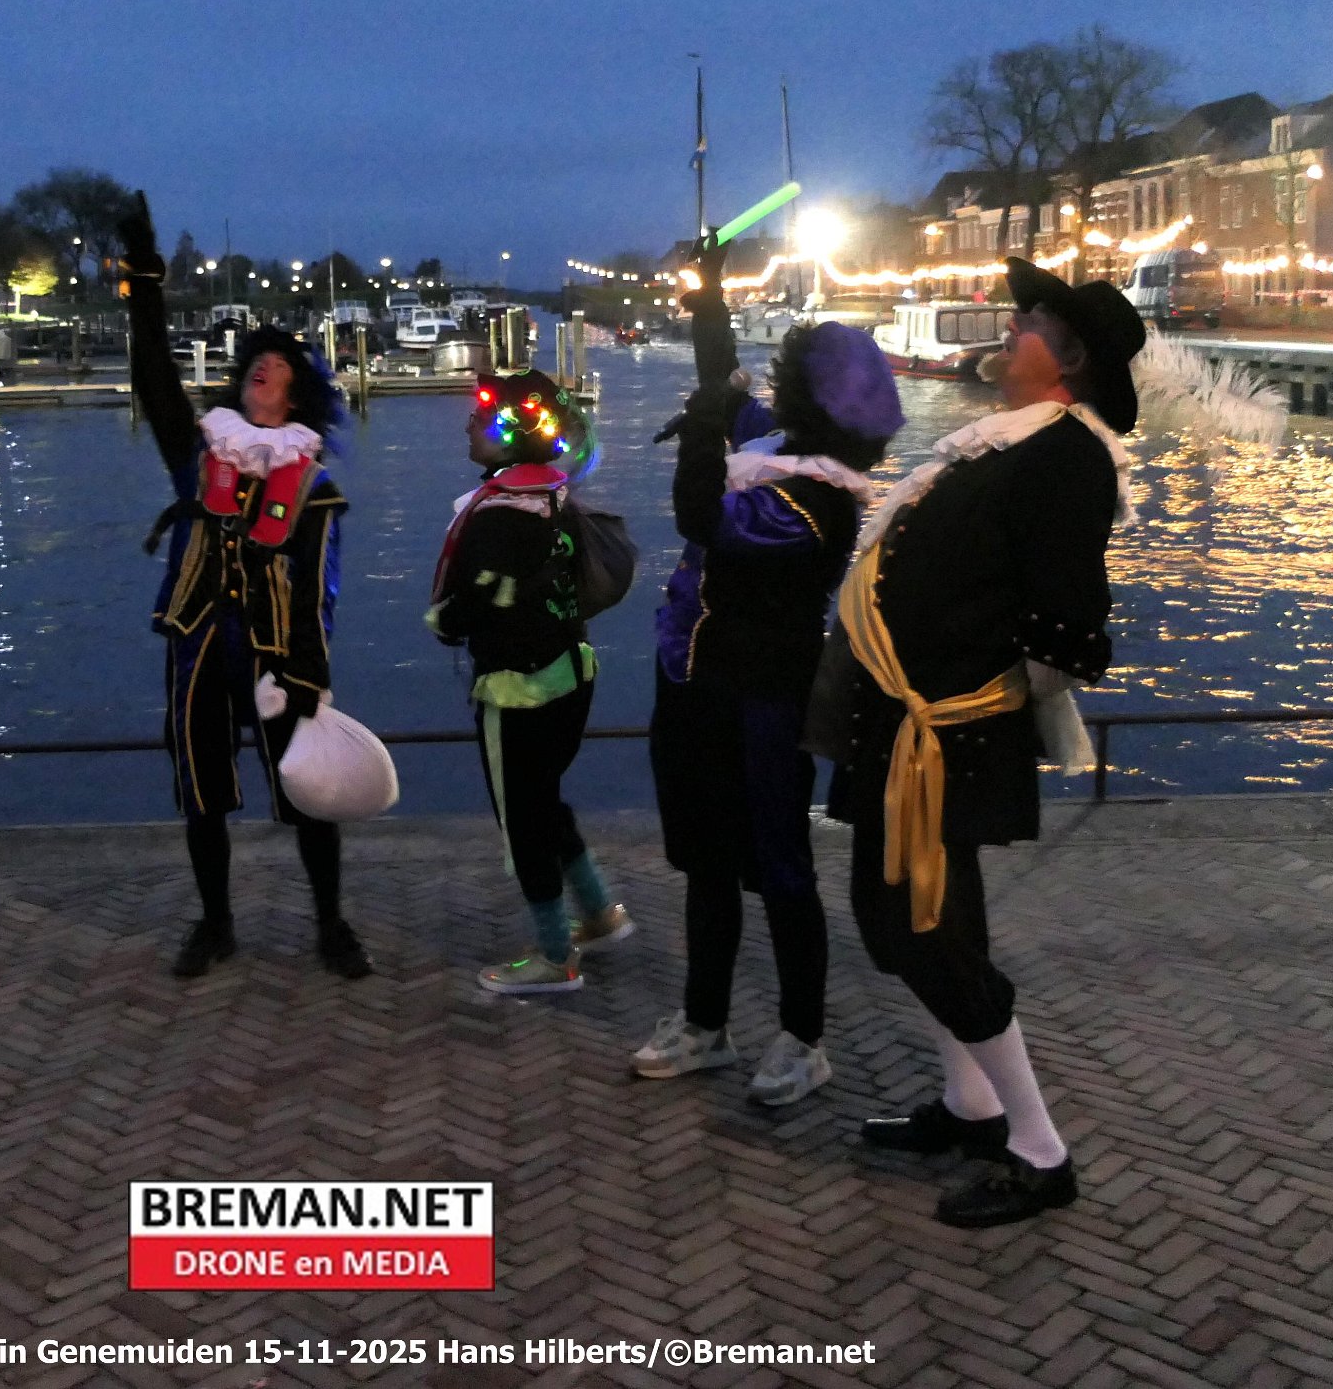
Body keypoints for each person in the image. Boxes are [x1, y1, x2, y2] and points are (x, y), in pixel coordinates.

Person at [822, 255, 1143, 1228]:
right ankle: (972, 1106)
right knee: (905, 925)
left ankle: (1040, 1151)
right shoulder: (1006, 443)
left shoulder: (1067, 455)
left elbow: (1071, 625)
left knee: (927, 934)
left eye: (1031, 322)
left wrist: (971, 697)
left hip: (944, 734)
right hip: (903, 726)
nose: (1012, 328)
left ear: (1069, 359)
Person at [630, 238, 905, 1105]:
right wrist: (709, 302)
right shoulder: (782, 446)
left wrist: (701, 425)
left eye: (788, 381)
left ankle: (803, 1037)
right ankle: (705, 1023)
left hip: (765, 699)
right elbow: (727, 382)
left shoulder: (815, 502)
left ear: (816, 404)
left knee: (781, 866)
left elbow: (700, 515)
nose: (773, 390)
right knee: (707, 860)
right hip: (694, 681)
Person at [117, 195, 372, 980]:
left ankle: (330, 923)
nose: (265, 367)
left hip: (275, 653)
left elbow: (319, 587)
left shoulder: (313, 485)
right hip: (197, 639)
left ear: (295, 394)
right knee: (201, 791)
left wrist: (309, 673)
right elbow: (155, 377)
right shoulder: (201, 454)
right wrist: (144, 280)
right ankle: (216, 923)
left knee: (306, 794)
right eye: (257, 361)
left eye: (280, 366)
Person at [427, 368, 631, 994]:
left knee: (522, 818)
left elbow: (467, 608)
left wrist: (444, 621)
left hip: (519, 689)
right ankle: (598, 914)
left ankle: (553, 957)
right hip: (571, 674)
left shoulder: (495, 516)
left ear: (510, 436)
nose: (468, 425)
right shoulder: (552, 497)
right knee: (544, 798)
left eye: (481, 417)